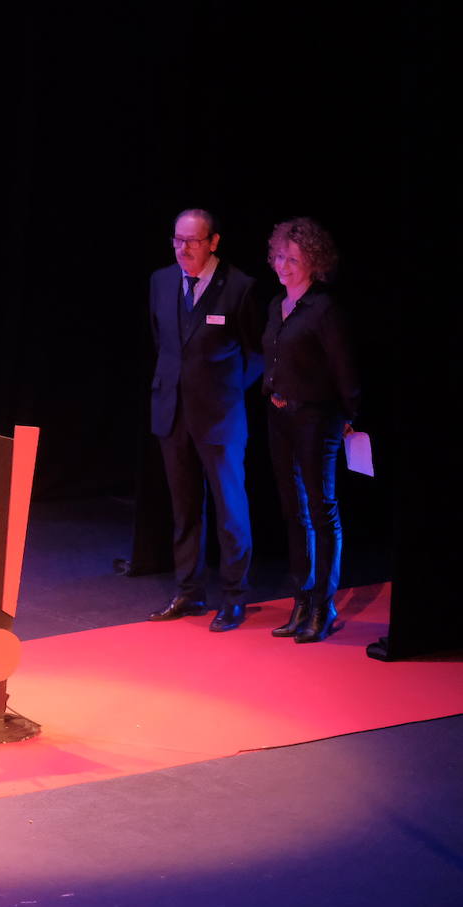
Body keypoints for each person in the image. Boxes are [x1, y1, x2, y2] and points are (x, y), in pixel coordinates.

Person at [147, 209, 262, 632]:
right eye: (177, 239)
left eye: (192, 241)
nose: (183, 249)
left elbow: (256, 354)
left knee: (230, 509)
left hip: (220, 417)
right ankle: (189, 592)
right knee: (184, 509)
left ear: (213, 242)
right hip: (172, 412)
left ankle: (235, 596)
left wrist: (225, 392)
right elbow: (165, 343)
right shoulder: (161, 282)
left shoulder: (240, 287)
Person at [262, 218, 359, 643]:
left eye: (294, 259)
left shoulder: (325, 309)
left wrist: (354, 417)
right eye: (280, 256)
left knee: (322, 508)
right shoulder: (276, 305)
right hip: (280, 416)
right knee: (292, 509)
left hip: (318, 418)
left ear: (314, 264)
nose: (284, 265)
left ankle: (324, 603)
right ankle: (302, 597)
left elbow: (345, 369)